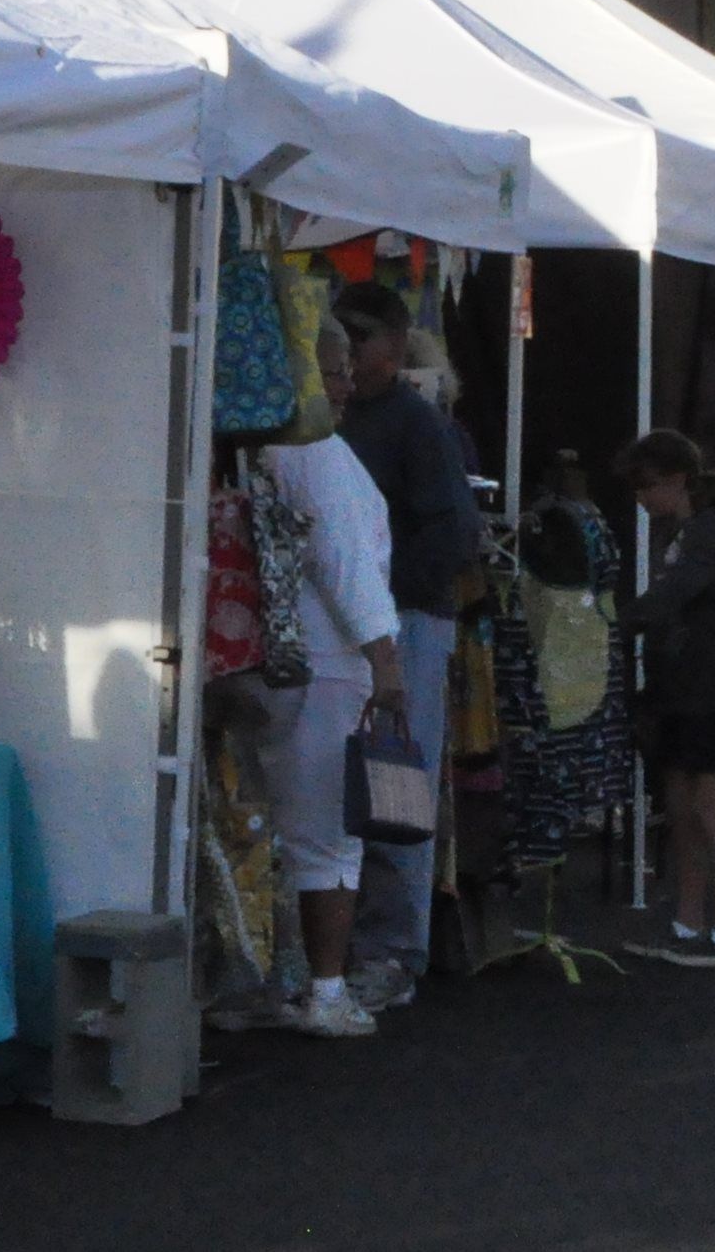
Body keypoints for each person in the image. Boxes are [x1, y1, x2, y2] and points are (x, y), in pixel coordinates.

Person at [248, 319, 409, 1039]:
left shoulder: (263, 448)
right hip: (332, 660)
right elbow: (344, 562)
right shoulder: (319, 455)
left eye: (344, 369)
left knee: (273, 826)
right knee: (330, 839)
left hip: (277, 658)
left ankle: (285, 978)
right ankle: (326, 987)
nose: (343, 384)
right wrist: (385, 658)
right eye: (332, 370)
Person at [332, 280, 479, 1012]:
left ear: (392, 344)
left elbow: (455, 533)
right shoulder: (330, 421)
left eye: (357, 337)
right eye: (337, 339)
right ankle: (345, 941)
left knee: (396, 782)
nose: (346, 353)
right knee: (342, 782)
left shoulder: (414, 422)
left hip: (407, 620)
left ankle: (393, 949)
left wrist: (382, 604)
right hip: (354, 622)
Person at [619, 432, 715, 966]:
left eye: (646, 487)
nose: (641, 500)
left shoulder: (708, 534)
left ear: (675, 480)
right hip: (679, 684)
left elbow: (673, 596)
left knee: (712, 808)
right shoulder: (683, 534)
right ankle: (689, 923)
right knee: (681, 809)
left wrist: (619, 620)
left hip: (710, 685)